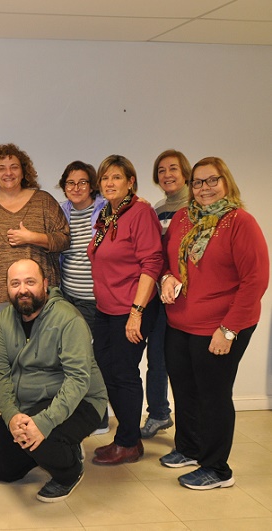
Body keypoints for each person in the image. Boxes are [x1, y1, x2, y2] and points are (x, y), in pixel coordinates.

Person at [160, 157, 268, 489]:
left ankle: (217, 469)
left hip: (221, 327)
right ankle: (190, 449)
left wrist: (229, 329)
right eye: (198, 182)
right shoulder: (181, 218)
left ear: (226, 182)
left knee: (213, 396)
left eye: (212, 181)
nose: (204, 188)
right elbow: (170, 262)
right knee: (185, 390)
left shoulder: (240, 222)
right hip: (179, 323)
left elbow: (256, 281)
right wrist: (166, 277)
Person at [0, 259, 107, 503]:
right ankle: (53, 446)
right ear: (7, 288)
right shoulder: (6, 320)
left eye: (30, 282)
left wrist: (44, 423)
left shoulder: (69, 319)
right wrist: (12, 416)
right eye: (15, 283)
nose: (23, 290)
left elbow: (78, 380)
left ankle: (70, 470)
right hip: (28, 403)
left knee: (36, 435)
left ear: (45, 284)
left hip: (81, 402)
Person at [87, 155, 163, 466]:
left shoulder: (140, 211)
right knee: (109, 372)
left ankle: (129, 443)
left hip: (131, 309)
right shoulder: (107, 213)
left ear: (130, 181)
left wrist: (136, 312)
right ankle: (125, 437)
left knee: (124, 374)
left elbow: (152, 263)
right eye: (105, 178)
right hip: (106, 309)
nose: (109, 183)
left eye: (116, 177)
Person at [0, 143, 70, 336]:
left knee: (41, 354)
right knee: (5, 355)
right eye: (1, 168)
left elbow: (64, 240)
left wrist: (33, 238)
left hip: (38, 297)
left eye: (14, 167)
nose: (8, 172)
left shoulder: (43, 201)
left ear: (24, 172)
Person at [139, 150, 191, 438]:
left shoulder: (196, 206)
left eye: (173, 168)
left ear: (185, 172)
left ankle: (192, 429)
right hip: (162, 297)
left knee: (183, 362)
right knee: (157, 358)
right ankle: (159, 413)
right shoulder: (157, 209)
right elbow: (155, 255)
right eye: (161, 170)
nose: (167, 174)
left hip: (190, 299)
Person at [57, 160, 110, 435]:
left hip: (93, 297)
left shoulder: (105, 210)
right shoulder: (62, 212)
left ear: (92, 185)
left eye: (82, 182)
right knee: (71, 356)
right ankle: (79, 411)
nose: (76, 188)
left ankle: (99, 415)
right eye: (70, 183)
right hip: (69, 295)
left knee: (89, 357)